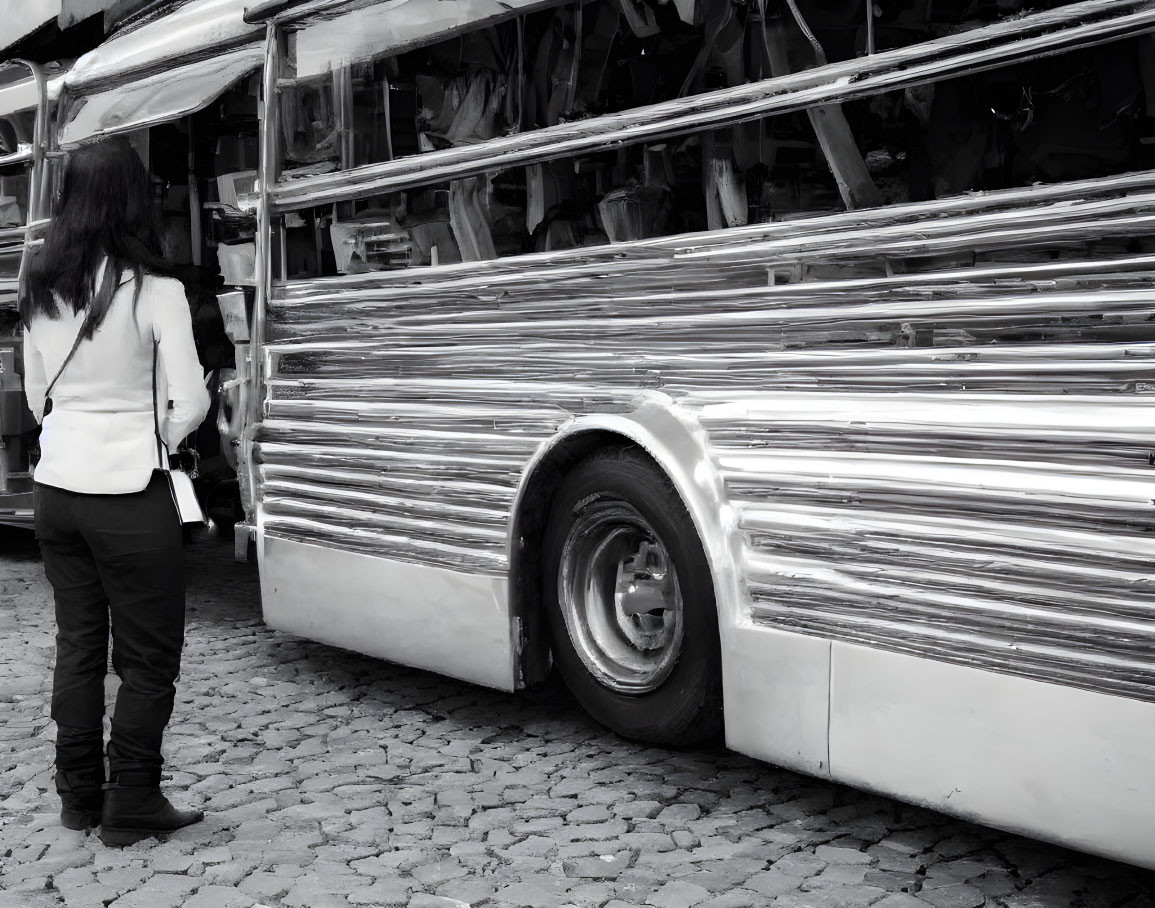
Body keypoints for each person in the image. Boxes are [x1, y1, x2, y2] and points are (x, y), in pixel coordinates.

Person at [21, 137, 210, 846]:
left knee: (78, 642)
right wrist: (154, 430)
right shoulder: (156, 290)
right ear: (135, 200)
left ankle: (78, 796)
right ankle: (130, 796)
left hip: (57, 485)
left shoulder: (39, 283)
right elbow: (189, 403)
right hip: (129, 488)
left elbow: (40, 392)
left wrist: (74, 423)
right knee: (148, 654)